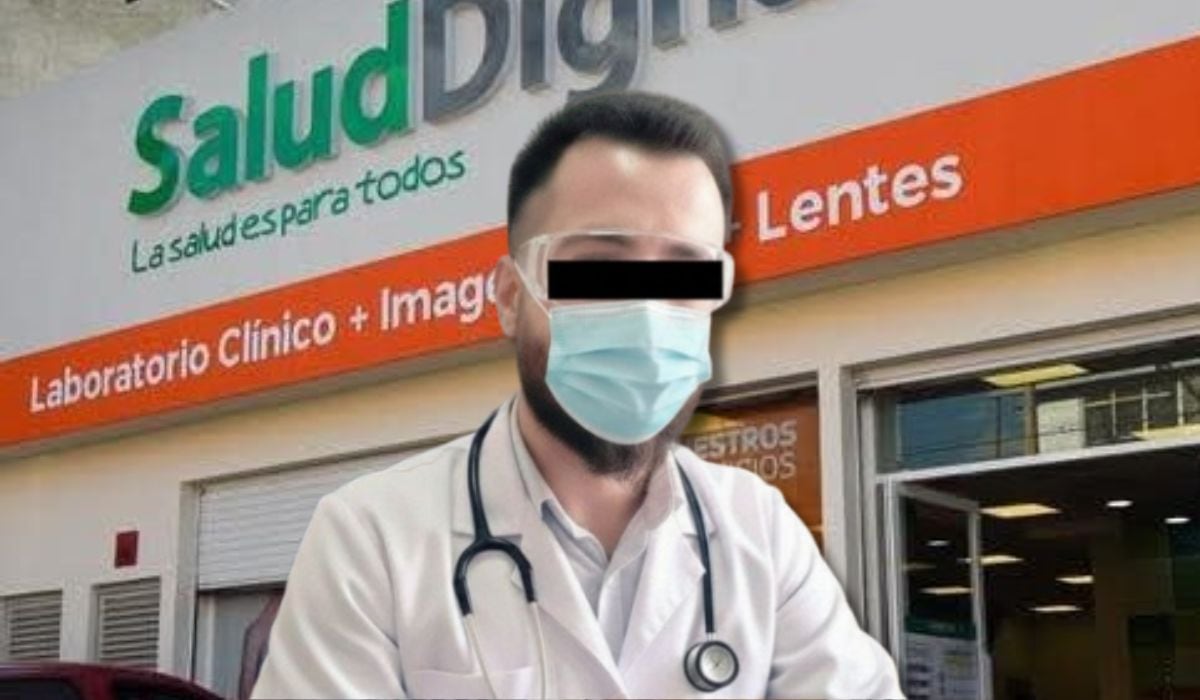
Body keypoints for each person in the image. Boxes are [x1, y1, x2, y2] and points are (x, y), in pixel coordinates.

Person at [251, 91, 904, 699]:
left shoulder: (758, 527)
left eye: (687, 273)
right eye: (597, 266)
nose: (646, 312)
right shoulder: (370, 537)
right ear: (511, 297)